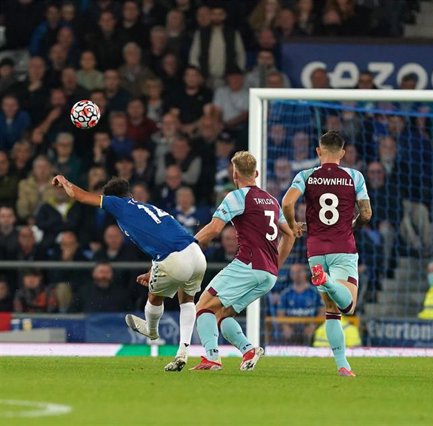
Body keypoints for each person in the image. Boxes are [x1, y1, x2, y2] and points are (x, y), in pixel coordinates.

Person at [51, 175, 206, 372]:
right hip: (196, 254)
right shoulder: (147, 208)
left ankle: (150, 331)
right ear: (131, 194)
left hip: (173, 258)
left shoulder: (119, 205)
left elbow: (80, 196)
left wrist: (64, 181)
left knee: (154, 297)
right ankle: (182, 352)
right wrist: (153, 270)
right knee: (187, 300)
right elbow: (163, 237)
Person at [191, 151, 295, 371]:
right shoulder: (272, 201)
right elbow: (291, 234)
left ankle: (211, 358)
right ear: (256, 173)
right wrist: (276, 264)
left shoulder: (237, 196)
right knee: (223, 313)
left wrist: (187, 244)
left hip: (247, 264)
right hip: (268, 274)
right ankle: (248, 349)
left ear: (234, 173)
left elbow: (215, 228)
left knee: (203, 307)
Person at [282, 130, 372, 377]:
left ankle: (343, 365)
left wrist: (292, 226)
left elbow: (287, 203)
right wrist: (351, 225)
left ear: (318, 151)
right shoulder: (354, 176)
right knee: (348, 306)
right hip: (343, 246)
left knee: (331, 312)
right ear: (342, 153)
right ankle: (329, 281)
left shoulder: (306, 175)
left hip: (315, 250)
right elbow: (366, 214)